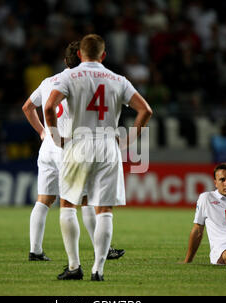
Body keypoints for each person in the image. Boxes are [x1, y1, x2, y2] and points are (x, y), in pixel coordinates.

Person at [44, 34, 152, 281]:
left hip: (77, 143)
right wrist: (129, 140)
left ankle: (74, 267)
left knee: (68, 204)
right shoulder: (118, 79)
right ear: (104, 55)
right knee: (104, 209)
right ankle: (98, 270)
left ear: (79, 54)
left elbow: (49, 107)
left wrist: (55, 136)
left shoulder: (68, 76)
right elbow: (146, 110)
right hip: (107, 144)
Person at [22, 40, 125, 262]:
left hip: (48, 147)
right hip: (69, 146)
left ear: (64, 60)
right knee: (86, 199)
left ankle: (35, 251)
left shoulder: (49, 81)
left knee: (44, 199)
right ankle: (102, 251)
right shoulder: (81, 82)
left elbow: (27, 107)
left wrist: (43, 132)